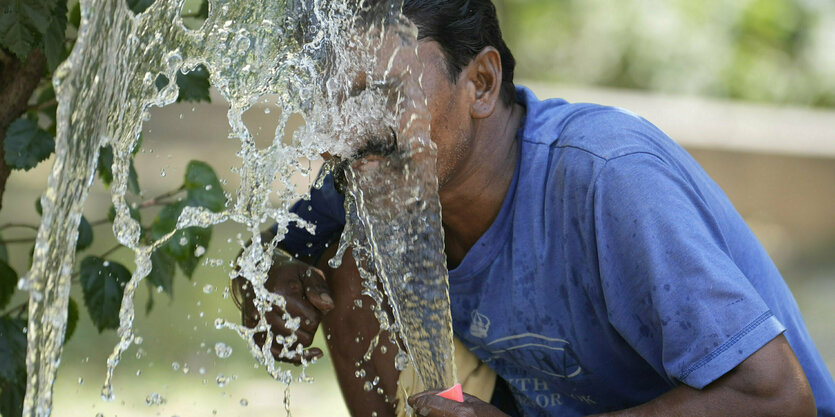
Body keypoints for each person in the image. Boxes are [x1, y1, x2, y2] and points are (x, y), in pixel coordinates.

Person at [233, 0, 835, 416]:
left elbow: (778, 401)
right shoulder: (382, 169)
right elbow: (276, 247)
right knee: (344, 264)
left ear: (483, 84)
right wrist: (269, 281)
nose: (346, 134)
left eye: (387, 95)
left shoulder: (607, 178)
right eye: (339, 103)